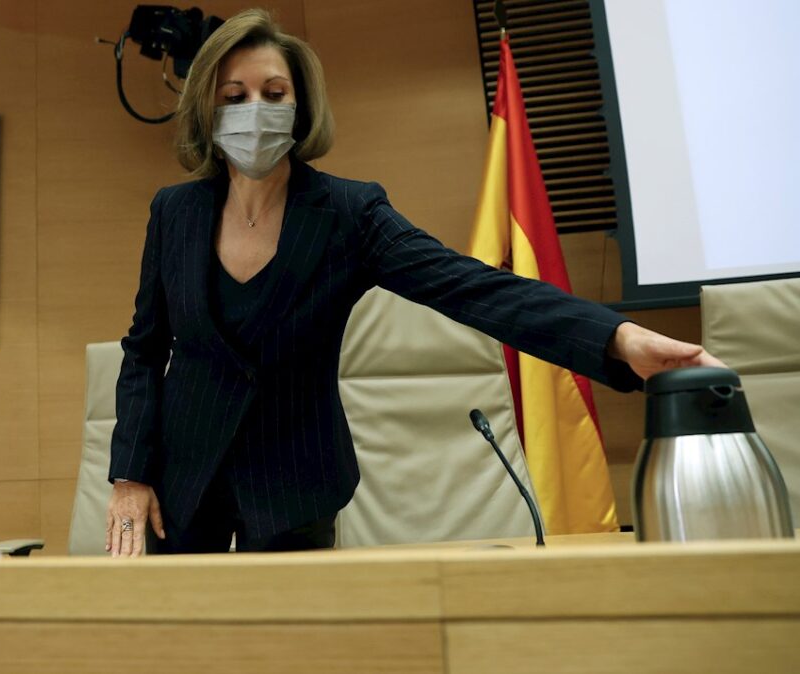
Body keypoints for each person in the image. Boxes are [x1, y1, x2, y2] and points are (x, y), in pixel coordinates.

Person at [106, 9, 723, 557]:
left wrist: (618, 339)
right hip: (176, 485)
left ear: (302, 106)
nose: (254, 112)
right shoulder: (175, 212)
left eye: (274, 93)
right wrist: (130, 474)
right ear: (207, 110)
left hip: (295, 484)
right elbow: (144, 349)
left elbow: (475, 288)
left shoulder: (349, 214)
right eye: (233, 96)